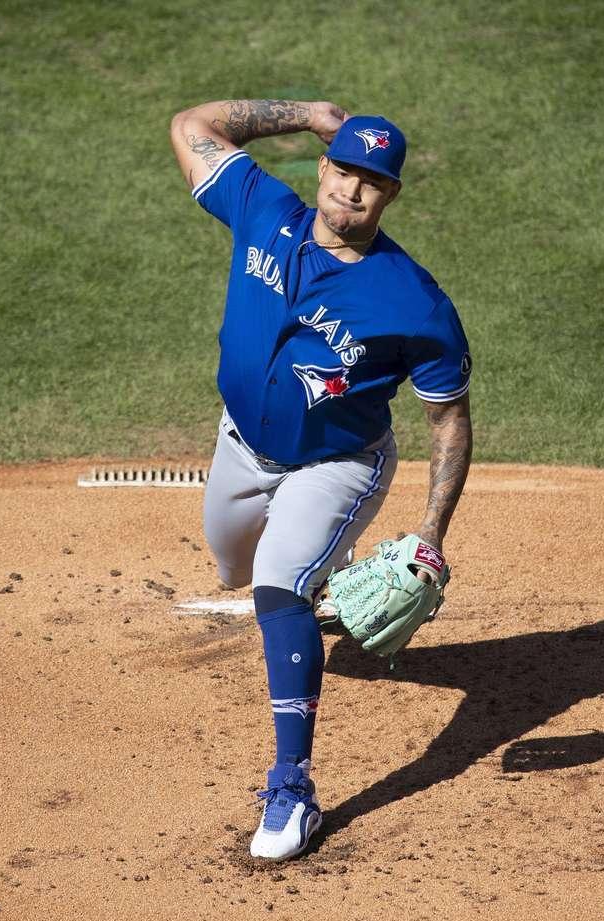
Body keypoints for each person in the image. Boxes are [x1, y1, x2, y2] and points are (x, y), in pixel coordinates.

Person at [169, 98, 474, 860]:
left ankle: (291, 789)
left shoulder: (415, 303)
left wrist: (432, 534)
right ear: (323, 165)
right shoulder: (262, 207)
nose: (351, 190)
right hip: (240, 447)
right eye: (342, 168)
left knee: (276, 582)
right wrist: (303, 112)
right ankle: (322, 569)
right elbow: (190, 128)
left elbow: (449, 421)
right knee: (233, 563)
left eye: (372, 180)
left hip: (340, 463)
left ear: (392, 193)